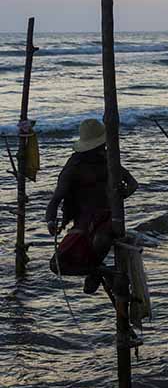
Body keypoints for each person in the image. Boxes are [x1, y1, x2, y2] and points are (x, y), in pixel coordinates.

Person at [45, 118, 137, 293]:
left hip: (109, 218)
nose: (102, 150)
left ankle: (97, 273)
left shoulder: (109, 161)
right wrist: (50, 221)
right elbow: (56, 198)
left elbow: (132, 183)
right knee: (57, 265)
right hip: (83, 222)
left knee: (101, 239)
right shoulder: (74, 167)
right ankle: (100, 271)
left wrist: (123, 193)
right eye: (98, 147)